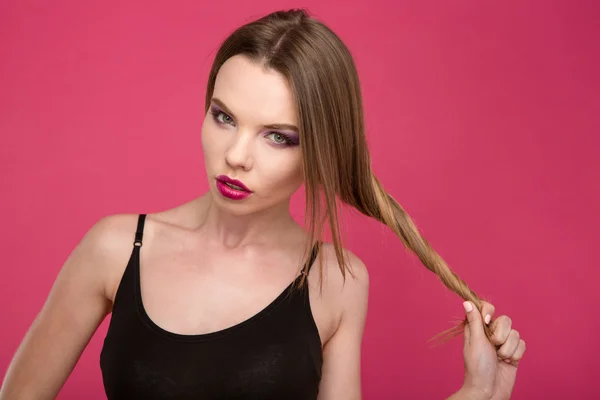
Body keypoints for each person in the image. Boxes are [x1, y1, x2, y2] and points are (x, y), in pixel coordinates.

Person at [0, 9, 526, 400]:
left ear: (322, 150)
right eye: (224, 116)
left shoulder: (337, 281)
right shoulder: (115, 248)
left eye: (278, 136)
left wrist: (478, 394)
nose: (234, 155)